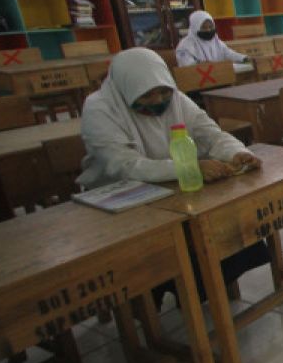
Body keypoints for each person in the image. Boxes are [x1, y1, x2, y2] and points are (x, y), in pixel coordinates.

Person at [80, 48, 268, 304]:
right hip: (120, 199)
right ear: (127, 90)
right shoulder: (100, 108)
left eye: (163, 92)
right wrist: (189, 168)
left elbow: (210, 134)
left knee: (223, 219)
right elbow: (123, 166)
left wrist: (237, 153)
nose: (158, 100)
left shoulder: (175, 98)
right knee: (170, 244)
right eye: (147, 95)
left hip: (174, 187)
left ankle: (205, 288)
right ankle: (165, 298)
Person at [175, 10, 248, 66]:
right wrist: (203, 65)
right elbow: (187, 65)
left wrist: (243, 58)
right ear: (195, 28)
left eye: (210, 27)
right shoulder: (185, 45)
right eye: (204, 28)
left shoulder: (215, 40)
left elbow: (228, 53)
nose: (208, 30)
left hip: (219, 77)